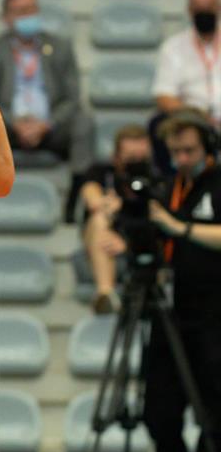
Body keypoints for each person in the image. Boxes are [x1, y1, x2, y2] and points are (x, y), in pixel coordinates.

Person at [141, 110, 221, 452]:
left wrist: (179, 228)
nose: (182, 159)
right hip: (168, 317)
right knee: (159, 417)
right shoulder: (167, 186)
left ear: (208, 147)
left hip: (213, 320)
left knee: (216, 423)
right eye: (175, 152)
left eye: (189, 150)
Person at [0, 0, 94, 175]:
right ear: (6, 18)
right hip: (8, 128)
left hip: (51, 127)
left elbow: (72, 99)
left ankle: (81, 187)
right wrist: (15, 123)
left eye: (32, 9)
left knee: (83, 122)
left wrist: (46, 124)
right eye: (21, 11)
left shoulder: (60, 47)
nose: (28, 16)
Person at [75, 125, 153, 315]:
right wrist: (110, 205)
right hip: (99, 237)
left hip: (136, 242)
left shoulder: (155, 181)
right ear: (116, 158)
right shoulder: (102, 172)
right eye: (131, 159)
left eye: (142, 159)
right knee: (100, 218)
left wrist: (128, 244)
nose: (136, 164)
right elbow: (91, 196)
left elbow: (157, 224)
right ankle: (105, 293)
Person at [154, 0, 221, 124]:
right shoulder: (173, 48)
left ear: (218, 7)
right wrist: (195, 117)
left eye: (209, 7)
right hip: (191, 122)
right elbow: (164, 96)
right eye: (198, 8)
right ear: (190, 10)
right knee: (157, 122)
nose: (204, 13)